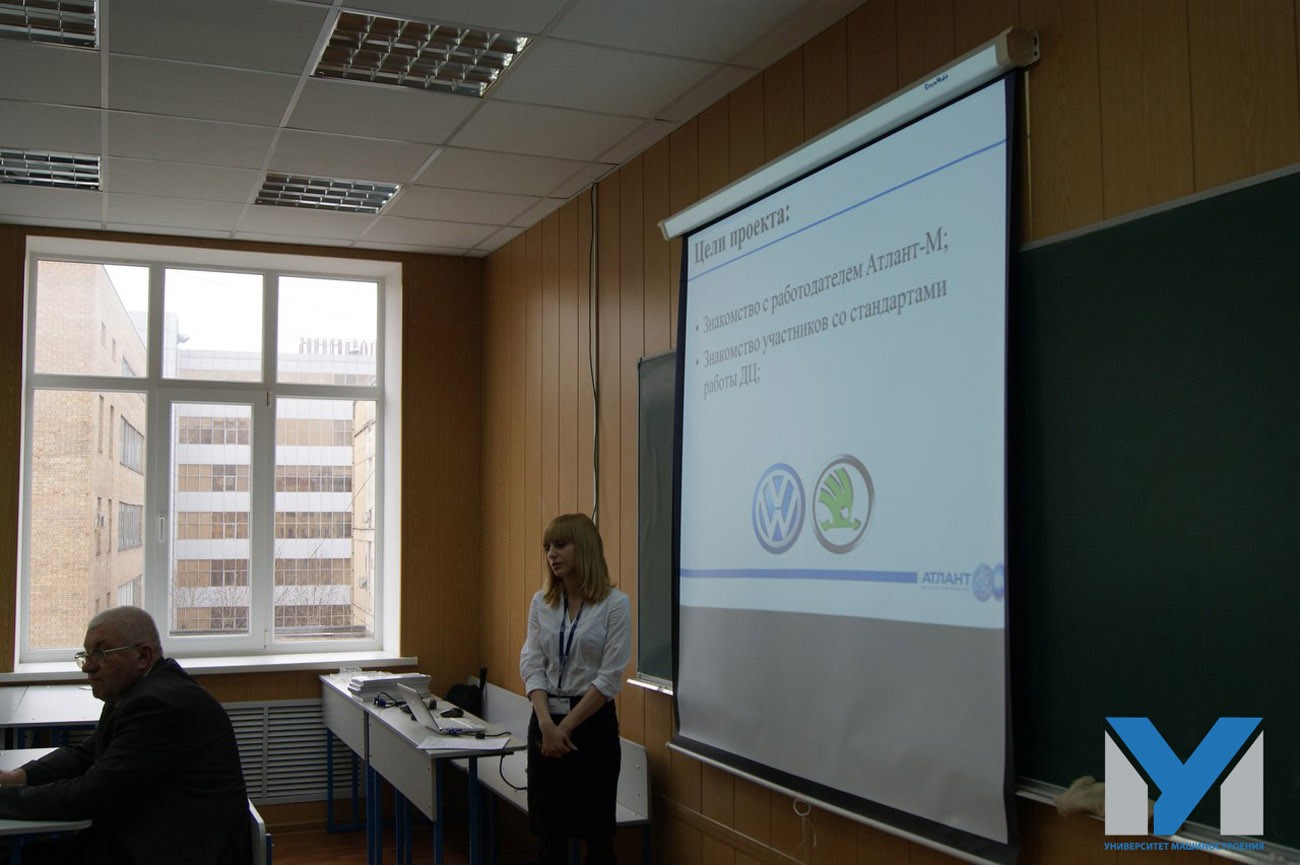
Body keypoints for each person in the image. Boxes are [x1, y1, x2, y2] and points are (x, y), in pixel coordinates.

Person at [0, 607, 252, 865]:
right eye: (86, 654)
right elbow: (87, 754)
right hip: (146, 833)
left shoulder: (159, 705)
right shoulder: (134, 690)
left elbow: (88, 796)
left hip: (178, 850)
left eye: (101, 653)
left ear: (143, 656)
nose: (88, 666)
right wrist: (17, 777)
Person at [519, 513, 632, 865]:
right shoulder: (541, 602)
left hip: (591, 726)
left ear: (584, 548)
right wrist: (547, 726)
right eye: (547, 547)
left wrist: (564, 729)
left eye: (560, 544)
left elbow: (609, 677)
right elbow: (532, 664)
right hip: (545, 721)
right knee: (549, 838)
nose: (551, 554)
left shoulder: (615, 604)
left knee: (597, 838)